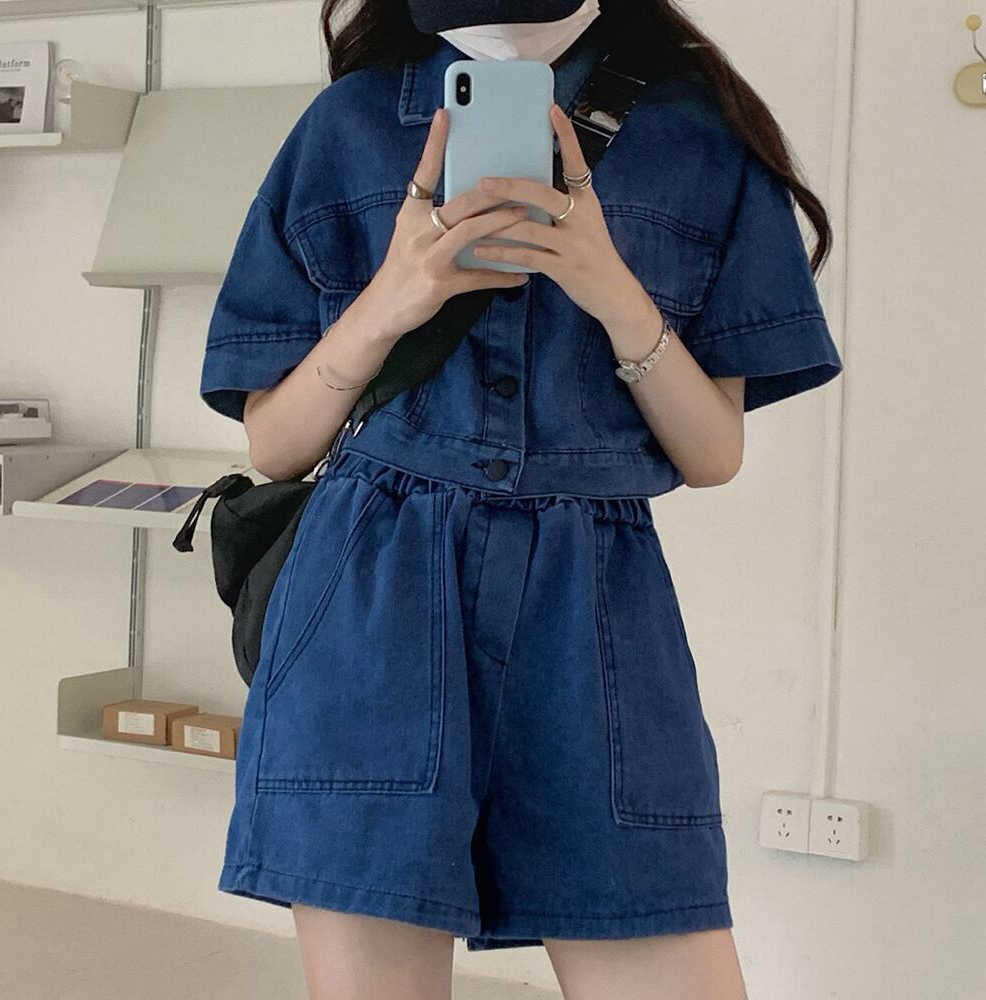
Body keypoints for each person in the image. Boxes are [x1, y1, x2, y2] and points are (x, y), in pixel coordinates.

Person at [198, 1, 844, 997]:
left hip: (596, 615)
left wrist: (609, 285)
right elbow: (277, 444)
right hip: (371, 603)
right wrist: (390, 302)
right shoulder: (348, 125)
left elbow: (714, 452)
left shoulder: (695, 135)